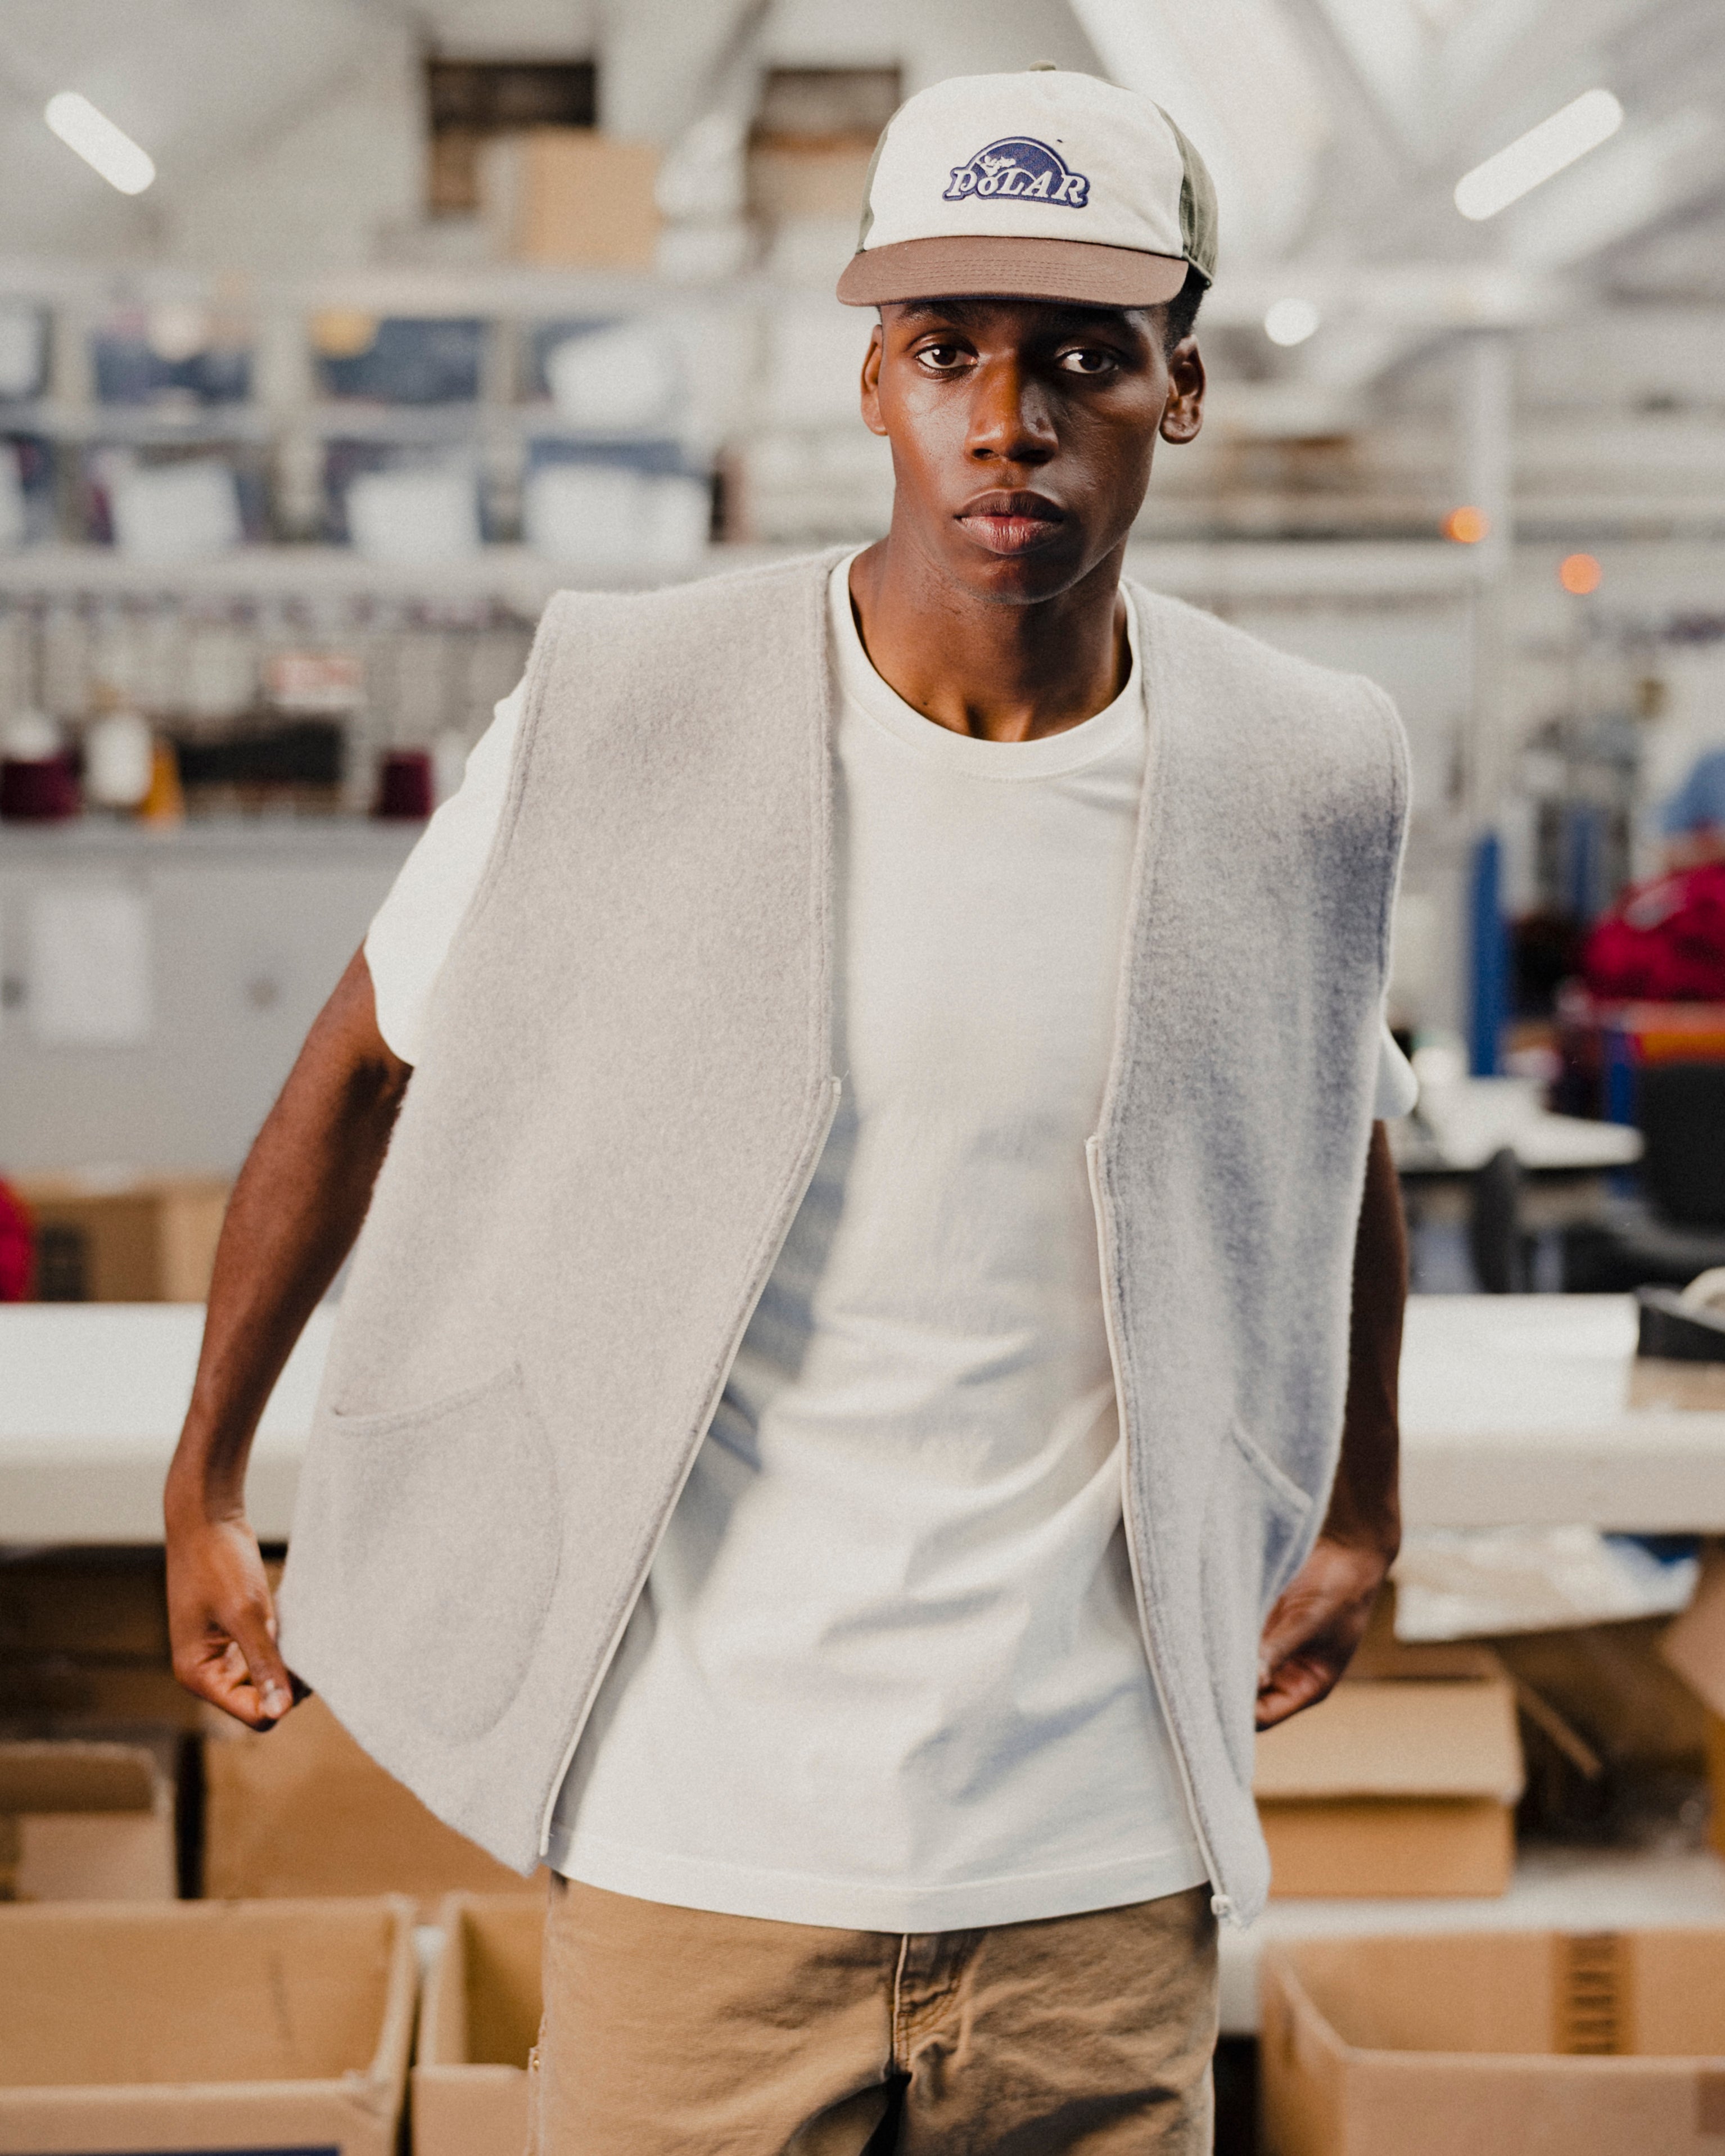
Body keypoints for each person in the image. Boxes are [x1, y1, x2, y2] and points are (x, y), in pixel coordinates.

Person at [166, 67, 1413, 2155]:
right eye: (947, 352)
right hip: (698, 1865)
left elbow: (1334, 1138)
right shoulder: (635, 707)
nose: (1005, 420)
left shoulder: (1301, 770)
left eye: (1082, 360)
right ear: (870, 382)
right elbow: (367, 1060)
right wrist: (205, 1473)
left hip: (1102, 1873)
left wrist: (1365, 1500)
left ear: (1179, 392)